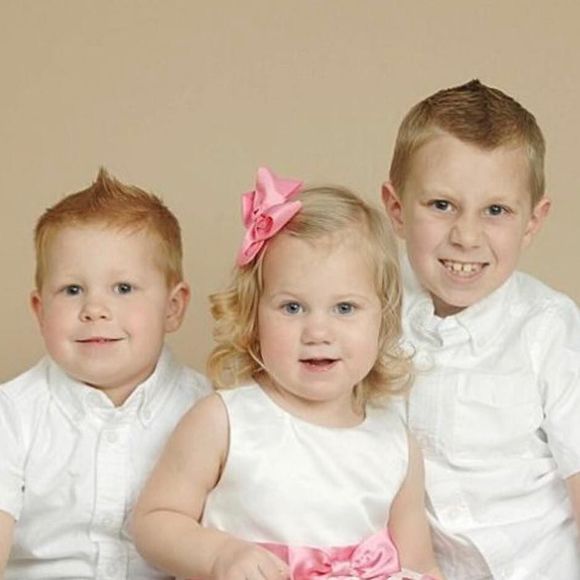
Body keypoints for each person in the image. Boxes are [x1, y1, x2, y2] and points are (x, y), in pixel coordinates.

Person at [131, 167, 444, 580]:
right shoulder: (224, 420)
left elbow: (421, 565)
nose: (318, 332)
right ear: (253, 315)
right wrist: (221, 556)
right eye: (292, 307)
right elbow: (154, 521)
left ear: (384, 320)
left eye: (345, 308)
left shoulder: (396, 445)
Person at [382, 79, 580, 579]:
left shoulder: (548, 328)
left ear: (532, 222)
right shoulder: (369, 307)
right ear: (396, 208)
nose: (467, 236)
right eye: (441, 205)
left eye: (496, 211)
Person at [0, 168, 211, 579]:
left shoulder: (206, 408)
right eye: (72, 290)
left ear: (173, 307)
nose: (95, 310)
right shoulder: (12, 414)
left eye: (123, 288)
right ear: (40, 310)